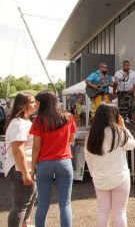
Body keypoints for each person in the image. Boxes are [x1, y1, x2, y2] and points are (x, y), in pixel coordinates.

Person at [30, 90, 77, 227]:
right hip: (64, 161)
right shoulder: (68, 117)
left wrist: (32, 167)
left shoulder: (38, 120)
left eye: (38, 103)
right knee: (65, 203)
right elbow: (72, 139)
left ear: (44, 103)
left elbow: (36, 146)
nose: (37, 106)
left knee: (43, 203)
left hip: (44, 163)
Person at [85, 103, 135, 227]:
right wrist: (124, 127)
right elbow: (132, 144)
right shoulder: (119, 133)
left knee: (103, 210)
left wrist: (93, 175)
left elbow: (88, 158)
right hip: (119, 177)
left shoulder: (90, 136)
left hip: (100, 179)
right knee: (120, 211)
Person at [4, 93, 37, 227]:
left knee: (31, 197)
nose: (35, 105)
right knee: (21, 204)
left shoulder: (25, 121)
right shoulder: (18, 123)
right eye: (32, 102)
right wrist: (25, 173)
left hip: (24, 168)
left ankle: (24, 224)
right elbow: (18, 150)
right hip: (19, 169)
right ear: (23, 105)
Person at [113, 60, 135, 128]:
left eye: (128, 65)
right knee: (122, 108)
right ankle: (122, 124)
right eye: (126, 65)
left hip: (130, 92)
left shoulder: (133, 73)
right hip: (121, 93)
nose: (127, 67)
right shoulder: (117, 73)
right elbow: (114, 84)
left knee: (132, 108)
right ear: (123, 66)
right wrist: (114, 92)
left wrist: (132, 90)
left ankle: (134, 123)